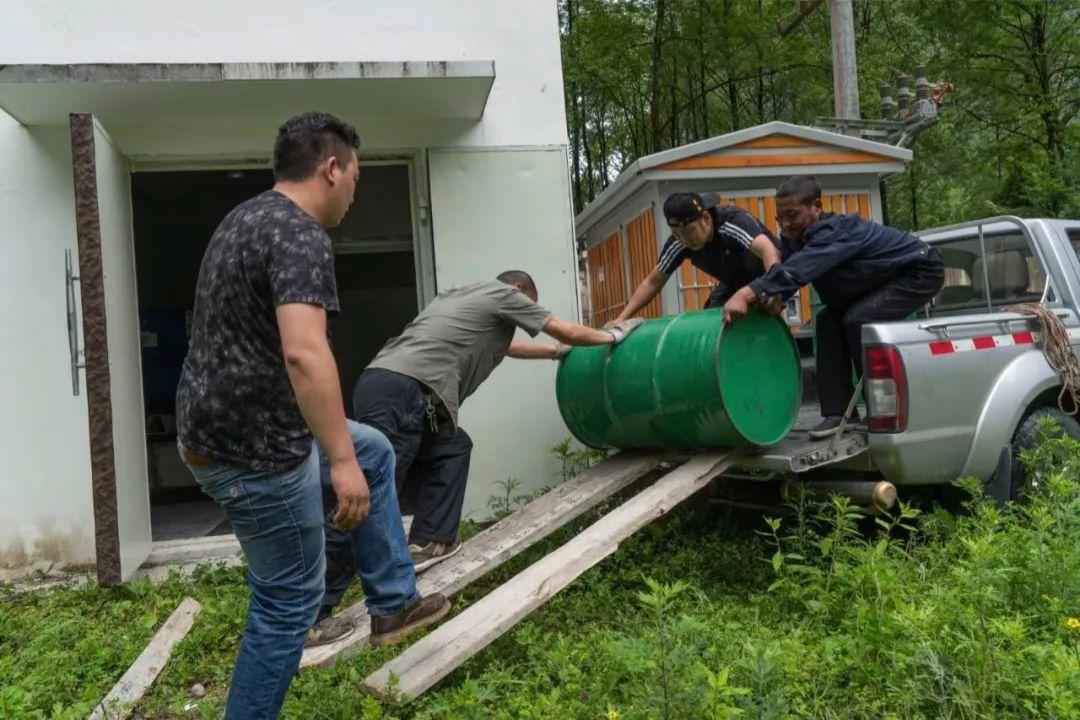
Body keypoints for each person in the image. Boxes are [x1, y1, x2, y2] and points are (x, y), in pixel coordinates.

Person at [175, 111, 447, 718]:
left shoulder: (243, 218)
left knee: (375, 449)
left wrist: (353, 454)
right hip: (255, 453)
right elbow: (304, 352)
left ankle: (392, 603)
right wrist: (339, 462)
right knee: (287, 601)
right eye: (356, 177)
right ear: (331, 169)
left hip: (229, 430)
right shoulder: (300, 234)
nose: (355, 191)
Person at [310, 272, 642, 635]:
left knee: (452, 447)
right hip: (406, 393)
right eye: (527, 309)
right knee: (362, 499)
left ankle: (430, 540)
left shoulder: (464, 295)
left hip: (392, 386)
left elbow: (508, 347)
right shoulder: (506, 294)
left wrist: (554, 353)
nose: (525, 318)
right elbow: (562, 328)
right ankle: (312, 618)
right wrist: (611, 336)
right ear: (518, 292)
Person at [723, 175, 944, 439]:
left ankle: (881, 409)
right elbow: (788, 272)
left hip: (918, 271)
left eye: (792, 215)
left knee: (858, 319)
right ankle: (840, 414)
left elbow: (798, 269)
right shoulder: (795, 237)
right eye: (780, 217)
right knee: (828, 320)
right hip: (877, 279)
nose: (785, 224)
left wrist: (746, 294)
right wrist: (776, 299)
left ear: (816, 205)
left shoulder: (837, 232)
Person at [607, 191, 782, 325]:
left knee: (764, 311)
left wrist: (772, 287)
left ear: (705, 218)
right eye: (676, 234)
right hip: (734, 282)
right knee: (712, 319)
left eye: (688, 231)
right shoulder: (680, 242)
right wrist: (621, 318)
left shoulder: (732, 222)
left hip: (773, 271)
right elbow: (653, 282)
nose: (684, 240)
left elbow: (769, 250)